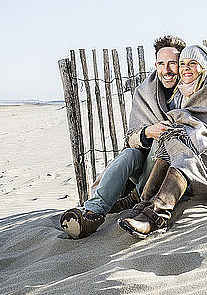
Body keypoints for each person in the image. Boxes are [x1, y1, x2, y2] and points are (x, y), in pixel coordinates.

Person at [118, 44, 207, 239]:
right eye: (182, 63)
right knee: (174, 137)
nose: (185, 68)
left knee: (184, 144)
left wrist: (191, 130)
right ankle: (144, 205)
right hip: (202, 148)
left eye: (193, 63)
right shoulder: (186, 90)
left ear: (204, 66)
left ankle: (157, 214)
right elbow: (190, 122)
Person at [59, 35, 186, 239]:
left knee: (165, 140)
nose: (167, 70)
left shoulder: (190, 89)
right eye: (161, 63)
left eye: (173, 63)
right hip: (145, 167)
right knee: (129, 154)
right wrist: (147, 132)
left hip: (173, 171)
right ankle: (92, 214)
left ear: (182, 64)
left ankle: (139, 201)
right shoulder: (145, 92)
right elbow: (131, 137)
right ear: (156, 65)